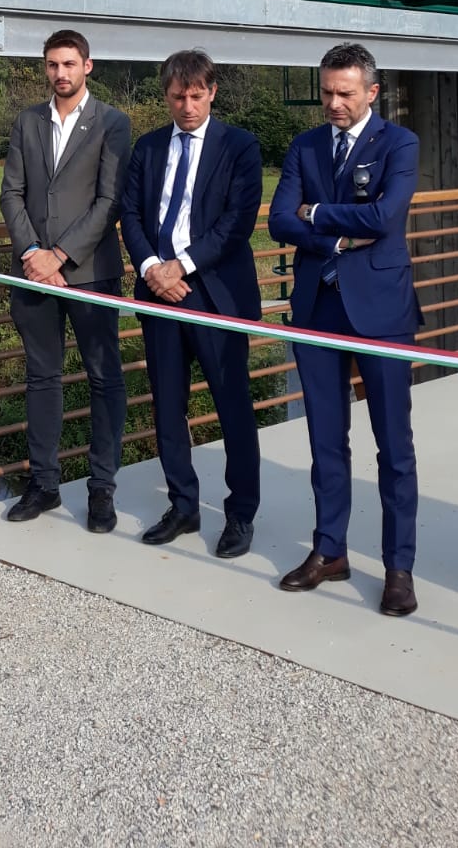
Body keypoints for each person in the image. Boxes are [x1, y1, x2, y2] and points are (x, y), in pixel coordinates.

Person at [268, 41, 421, 616]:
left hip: (381, 310)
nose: (333, 103)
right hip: (317, 306)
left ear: (372, 92)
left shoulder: (399, 143)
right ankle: (329, 550)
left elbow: (384, 217)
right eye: (327, 92)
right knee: (325, 440)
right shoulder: (305, 145)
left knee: (394, 445)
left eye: (345, 93)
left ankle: (398, 568)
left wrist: (315, 212)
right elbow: (279, 220)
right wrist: (335, 234)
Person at [120, 49, 262, 556]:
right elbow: (130, 214)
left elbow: (237, 222)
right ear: (166, 95)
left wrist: (180, 266)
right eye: (178, 97)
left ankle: (240, 513)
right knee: (167, 405)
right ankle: (183, 505)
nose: (187, 106)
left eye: (197, 96)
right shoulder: (148, 147)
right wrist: (151, 268)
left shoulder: (240, 146)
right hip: (159, 291)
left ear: (212, 92)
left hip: (214, 293)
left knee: (232, 406)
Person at [0, 30, 132, 533]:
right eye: (53, 64)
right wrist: (32, 253)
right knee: (41, 377)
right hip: (33, 272)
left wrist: (59, 255)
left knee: (104, 378)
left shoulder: (112, 123)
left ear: (87, 66)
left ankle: (102, 489)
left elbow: (109, 201)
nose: (61, 73)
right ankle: (44, 484)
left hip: (91, 272)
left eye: (69, 64)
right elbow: (11, 193)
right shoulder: (28, 121)